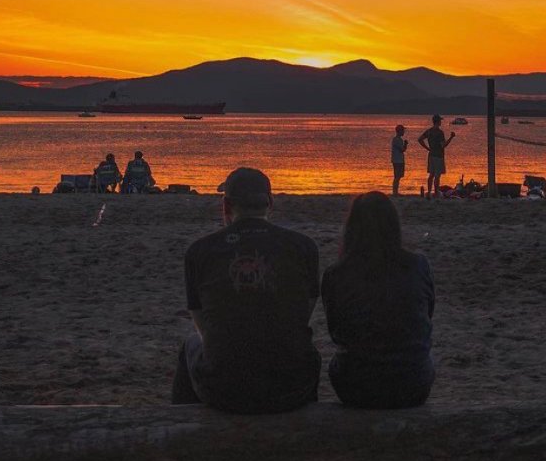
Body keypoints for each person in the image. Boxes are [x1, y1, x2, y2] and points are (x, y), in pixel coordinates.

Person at [172, 167, 321, 412]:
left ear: (226, 206)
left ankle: (181, 425)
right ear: (270, 203)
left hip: (224, 388)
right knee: (305, 350)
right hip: (290, 385)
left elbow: (203, 327)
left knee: (191, 345)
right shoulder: (304, 247)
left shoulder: (200, 251)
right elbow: (301, 313)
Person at [321, 192, 435, 408]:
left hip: (354, 387)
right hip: (413, 383)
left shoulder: (336, 274)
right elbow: (427, 314)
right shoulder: (418, 265)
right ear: (394, 227)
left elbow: (335, 330)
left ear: (352, 229)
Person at [417, 115, 455, 199]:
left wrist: (427, 148)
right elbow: (443, 145)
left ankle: (430, 192)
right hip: (438, 156)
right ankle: (436, 192)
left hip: (431, 155)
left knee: (431, 174)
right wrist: (451, 138)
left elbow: (420, 139)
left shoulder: (429, 131)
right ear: (438, 122)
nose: (441, 122)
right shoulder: (439, 132)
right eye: (440, 121)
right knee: (437, 176)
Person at [391, 124, 408, 197]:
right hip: (397, 160)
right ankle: (395, 192)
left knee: (398, 176)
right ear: (399, 131)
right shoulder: (396, 139)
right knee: (397, 177)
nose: (404, 132)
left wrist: (405, 144)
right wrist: (405, 144)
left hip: (399, 160)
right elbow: (402, 150)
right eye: (403, 130)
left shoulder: (399, 139)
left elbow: (403, 149)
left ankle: (395, 192)